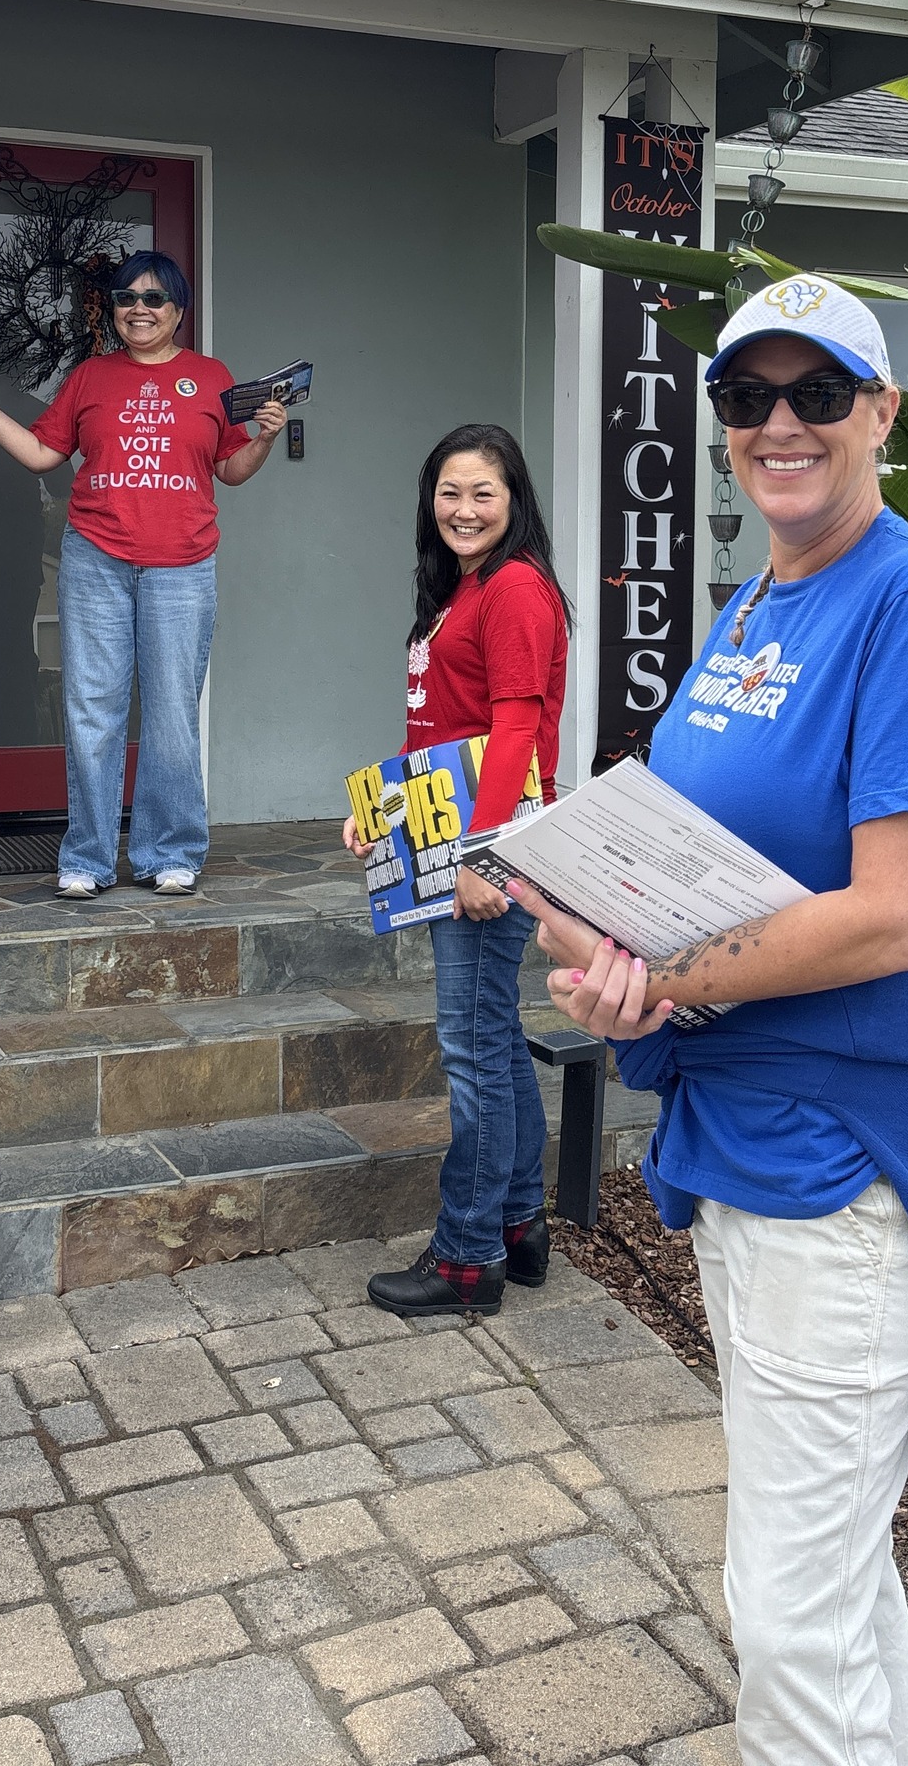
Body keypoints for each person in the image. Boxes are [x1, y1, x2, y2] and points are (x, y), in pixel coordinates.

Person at [509, 276, 908, 1765]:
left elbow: (902, 912)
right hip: (756, 1134)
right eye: (745, 400)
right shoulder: (762, 599)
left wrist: (671, 980)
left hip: (847, 1156)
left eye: (816, 395)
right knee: (819, 1579)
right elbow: (699, 866)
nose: (778, 426)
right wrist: (546, 897)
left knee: (788, 1602)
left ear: (880, 414)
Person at [0, 250, 285, 897]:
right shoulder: (89, 378)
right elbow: (41, 453)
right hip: (96, 562)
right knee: (92, 712)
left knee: (169, 714)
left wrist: (265, 437)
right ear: (113, 310)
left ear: (177, 310)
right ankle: (86, 856)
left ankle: (169, 851)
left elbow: (229, 469)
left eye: (154, 298)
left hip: (180, 566)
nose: (138, 308)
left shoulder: (209, 377)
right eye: (126, 298)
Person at [343, 424, 571, 1316]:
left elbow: (514, 732)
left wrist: (480, 857)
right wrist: (381, 816)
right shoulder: (464, 590)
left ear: (513, 500)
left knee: (473, 1051)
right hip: (458, 833)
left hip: (493, 844)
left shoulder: (514, 589)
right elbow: (439, 738)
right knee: (493, 1040)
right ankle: (517, 1224)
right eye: (449, 492)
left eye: (483, 492)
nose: (464, 509)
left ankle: (467, 1257)